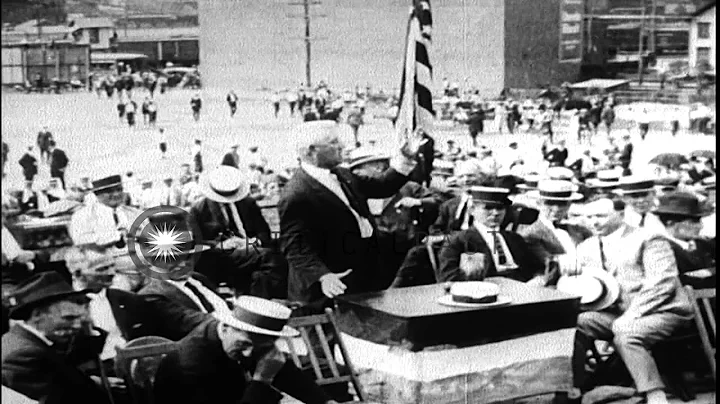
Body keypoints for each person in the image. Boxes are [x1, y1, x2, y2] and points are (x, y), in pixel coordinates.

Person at [279, 121, 423, 310]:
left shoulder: (341, 174)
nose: (342, 146)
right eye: (333, 142)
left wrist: (405, 158)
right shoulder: (296, 193)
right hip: (329, 287)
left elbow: (382, 186)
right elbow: (295, 246)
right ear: (310, 151)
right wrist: (323, 276)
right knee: (330, 336)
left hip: (360, 274)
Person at [568, 198, 693, 404]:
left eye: (600, 216)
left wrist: (631, 316)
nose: (594, 222)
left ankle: (655, 395)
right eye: (589, 217)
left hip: (662, 312)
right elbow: (588, 286)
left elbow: (662, 282)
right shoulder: (586, 246)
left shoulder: (649, 239)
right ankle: (578, 388)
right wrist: (570, 272)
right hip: (616, 314)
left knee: (627, 334)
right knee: (576, 324)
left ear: (621, 214)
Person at [153, 296, 338, 404]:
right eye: (244, 345)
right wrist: (261, 380)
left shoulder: (242, 341)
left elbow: (283, 371)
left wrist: (326, 402)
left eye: (261, 348)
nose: (249, 354)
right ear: (225, 327)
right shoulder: (190, 364)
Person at [1, 272, 113, 404]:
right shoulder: (23, 356)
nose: (77, 325)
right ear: (37, 315)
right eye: (68, 318)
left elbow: (64, 372)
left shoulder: (29, 340)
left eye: (80, 318)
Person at [189, 166, 284, 296]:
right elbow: (195, 242)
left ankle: (255, 306)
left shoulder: (247, 203)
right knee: (269, 257)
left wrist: (252, 242)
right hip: (222, 257)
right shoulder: (199, 210)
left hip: (252, 250)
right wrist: (221, 245)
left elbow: (264, 232)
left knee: (260, 273)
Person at [437, 187, 541, 283]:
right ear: (472, 210)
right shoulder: (458, 241)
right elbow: (448, 277)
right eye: (488, 208)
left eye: (500, 208)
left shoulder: (515, 239)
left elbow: (534, 268)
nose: (495, 213)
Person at [519, 180, 591, 285]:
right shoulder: (530, 235)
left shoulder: (580, 230)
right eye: (550, 203)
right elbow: (549, 265)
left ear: (569, 205)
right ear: (539, 203)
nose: (556, 209)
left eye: (562, 204)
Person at [653, 191, 715, 289]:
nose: (701, 226)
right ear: (671, 223)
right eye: (694, 222)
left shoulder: (705, 244)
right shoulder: (660, 251)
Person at [68, 175, 142, 255]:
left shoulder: (135, 213)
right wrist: (117, 236)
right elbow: (79, 240)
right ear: (97, 194)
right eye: (109, 191)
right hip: (102, 261)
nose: (116, 194)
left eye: (119, 189)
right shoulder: (82, 215)